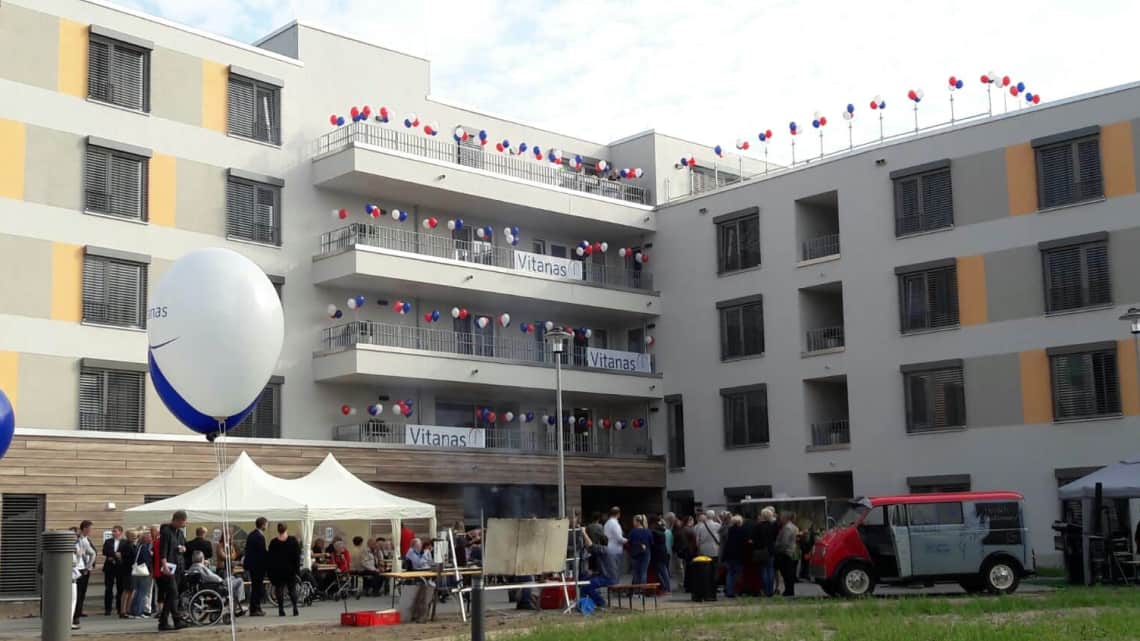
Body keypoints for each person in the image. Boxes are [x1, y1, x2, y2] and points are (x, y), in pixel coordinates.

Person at [157, 510, 188, 631]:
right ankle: (176, 618)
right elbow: (163, 550)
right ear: (177, 520)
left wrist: (183, 548)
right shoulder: (166, 532)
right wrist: (164, 565)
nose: (184, 524)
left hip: (179, 565)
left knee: (172, 594)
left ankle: (164, 621)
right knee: (173, 592)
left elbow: (184, 545)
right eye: (183, 521)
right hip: (169, 566)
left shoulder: (179, 533)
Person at [266, 523, 301, 617]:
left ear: (278, 530)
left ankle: (281, 609)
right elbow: (297, 557)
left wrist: (270, 571)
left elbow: (270, 558)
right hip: (290, 569)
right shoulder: (293, 541)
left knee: (279, 589)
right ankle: (295, 608)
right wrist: (297, 570)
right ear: (286, 529)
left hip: (278, 570)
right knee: (292, 589)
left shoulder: (274, 542)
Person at [73, 520, 96, 626]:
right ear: (85, 528)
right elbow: (92, 554)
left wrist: (88, 567)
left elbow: (93, 553)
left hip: (83, 569)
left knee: (81, 593)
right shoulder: (80, 540)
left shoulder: (86, 540)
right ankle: (75, 615)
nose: (91, 530)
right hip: (77, 569)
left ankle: (77, 613)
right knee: (76, 594)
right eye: (90, 528)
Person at [244, 517, 268, 617]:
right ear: (263, 525)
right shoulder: (259, 536)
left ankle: (255, 608)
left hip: (252, 565)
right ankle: (255, 609)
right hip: (257, 566)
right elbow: (261, 553)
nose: (267, 526)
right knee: (257, 587)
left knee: (255, 587)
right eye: (266, 524)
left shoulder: (251, 534)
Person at [753, 508, 778, 597]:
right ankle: (770, 591)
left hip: (761, 551)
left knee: (763, 570)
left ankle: (765, 590)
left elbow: (754, 539)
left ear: (762, 516)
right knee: (770, 570)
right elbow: (775, 538)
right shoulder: (773, 526)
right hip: (770, 550)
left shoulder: (757, 526)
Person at [128, 529, 153, 618]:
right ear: (145, 538)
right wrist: (150, 570)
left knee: (138, 591)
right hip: (143, 572)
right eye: (149, 537)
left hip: (137, 571)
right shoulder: (145, 548)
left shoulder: (139, 546)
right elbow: (146, 561)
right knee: (142, 592)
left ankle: (134, 611)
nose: (151, 538)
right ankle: (138, 612)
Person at [723, 515, 749, 598]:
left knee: (730, 573)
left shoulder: (730, 530)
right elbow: (745, 543)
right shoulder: (743, 530)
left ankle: (729, 591)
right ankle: (738, 591)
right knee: (738, 573)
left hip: (729, 555)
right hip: (739, 555)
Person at [775, 512, 799, 597]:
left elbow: (784, 542)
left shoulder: (787, 528)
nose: (780, 519)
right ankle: (789, 590)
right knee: (789, 573)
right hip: (790, 552)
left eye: (781, 517)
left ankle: (789, 591)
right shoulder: (791, 526)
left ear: (786, 518)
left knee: (787, 574)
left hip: (786, 553)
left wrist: (777, 547)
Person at [102, 525, 125, 617]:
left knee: (120, 588)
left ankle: (119, 608)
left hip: (120, 567)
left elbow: (126, 552)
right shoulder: (108, 541)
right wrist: (115, 554)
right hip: (109, 567)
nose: (113, 533)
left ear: (120, 532)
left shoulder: (124, 542)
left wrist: (118, 555)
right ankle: (108, 609)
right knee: (108, 588)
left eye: (115, 531)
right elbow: (105, 551)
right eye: (113, 531)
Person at [116, 528, 137, 618]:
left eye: (135, 536)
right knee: (127, 590)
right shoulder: (127, 545)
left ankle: (127, 609)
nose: (135, 538)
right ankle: (123, 610)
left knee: (130, 590)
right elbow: (127, 558)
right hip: (128, 570)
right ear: (128, 536)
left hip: (130, 570)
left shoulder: (132, 545)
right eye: (133, 536)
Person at [603, 507, 626, 582]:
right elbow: (619, 538)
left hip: (608, 548)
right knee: (616, 571)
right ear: (618, 514)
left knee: (611, 571)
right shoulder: (615, 524)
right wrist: (628, 541)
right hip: (615, 549)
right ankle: (616, 588)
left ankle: (612, 588)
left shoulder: (607, 523)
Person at [649, 515, 671, 594]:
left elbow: (652, 542)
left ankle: (666, 587)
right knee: (663, 570)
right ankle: (666, 587)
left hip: (656, 553)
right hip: (663, 551)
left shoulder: (652, 531)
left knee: (661, 571)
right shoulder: (662, 530)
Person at [627, 515, 651, 584]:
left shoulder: (633, 531)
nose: (633, 523)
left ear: (638, 522)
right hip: (646, 553)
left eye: (634, 521)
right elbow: (651, 543)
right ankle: (642, 591)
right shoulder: (648, 531)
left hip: (635, 554)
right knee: (644, 572)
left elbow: (629, 543)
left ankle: (636, 591)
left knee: (636, 572)